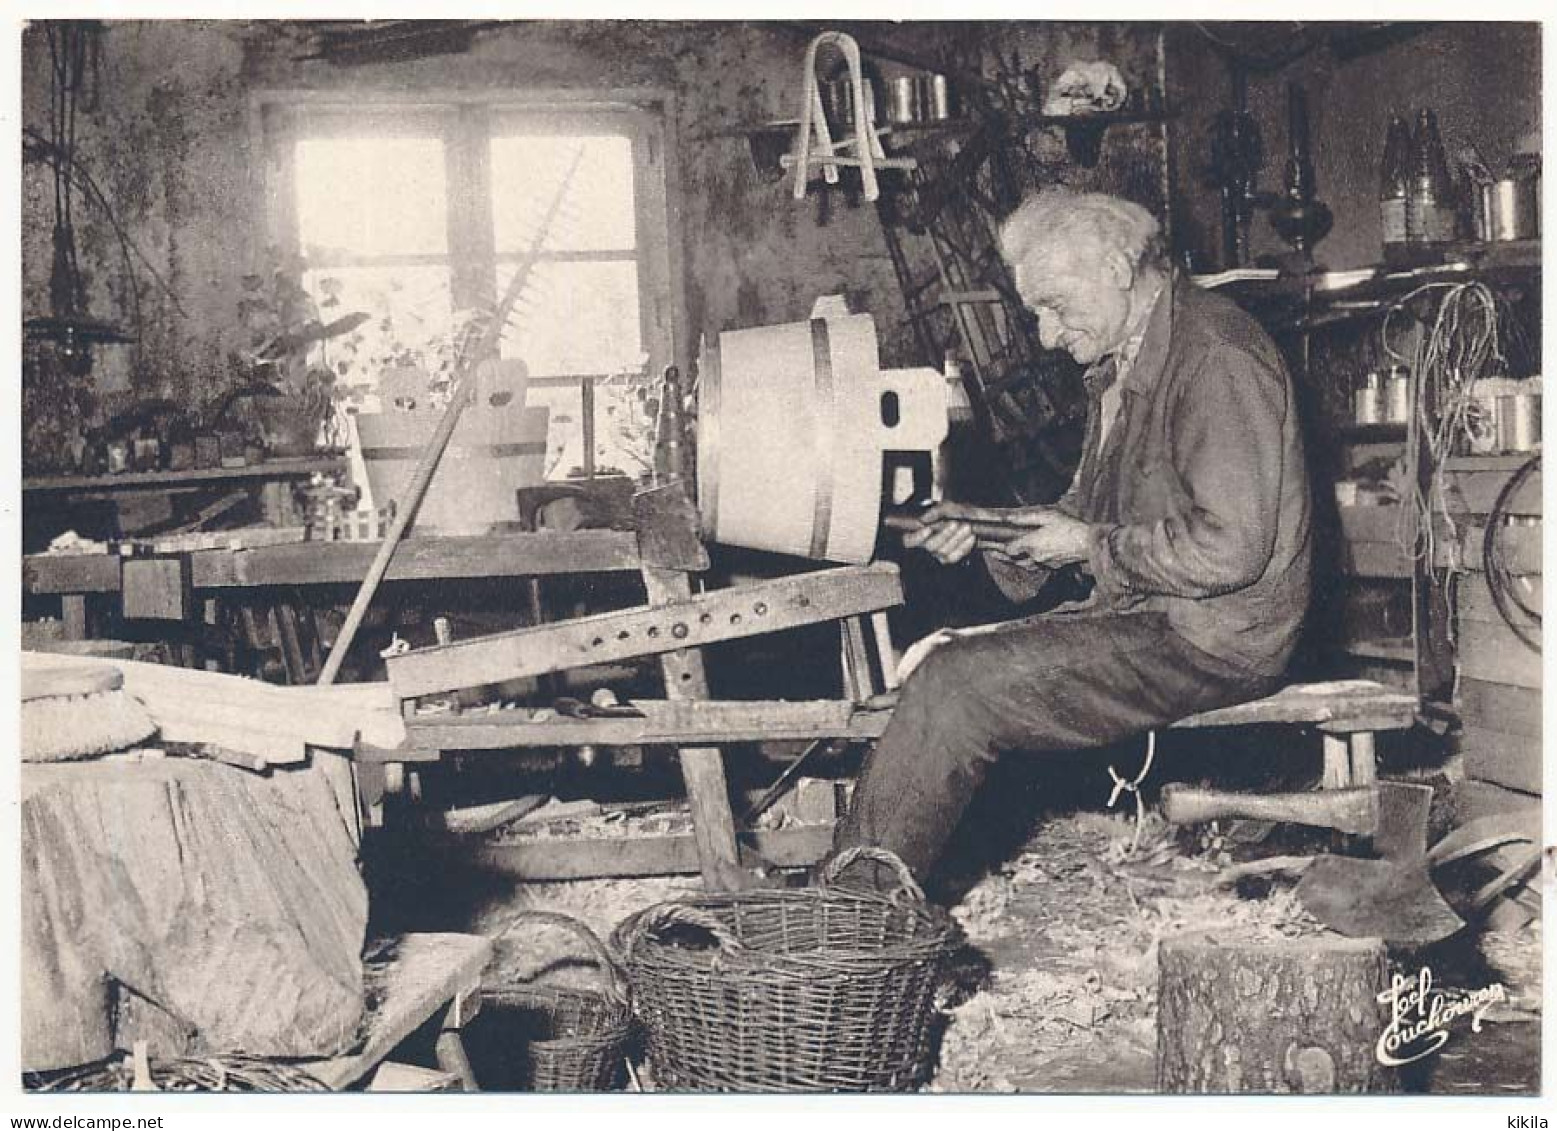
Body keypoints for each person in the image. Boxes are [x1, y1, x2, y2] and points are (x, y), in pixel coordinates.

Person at [832, 187, 1313, 885]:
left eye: (1054, 306)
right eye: (1035, 314)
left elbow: (1230, 548)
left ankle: (845, 919)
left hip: (1217, 638)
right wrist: (989, 531)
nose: (1047, 337)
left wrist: (1086, 546)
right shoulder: (1122, 366)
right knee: (941, 660)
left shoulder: (1215, 355)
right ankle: (854, 895)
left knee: (956, 685)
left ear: (1117, 265)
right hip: (1154, 618)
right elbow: (1083, 514)